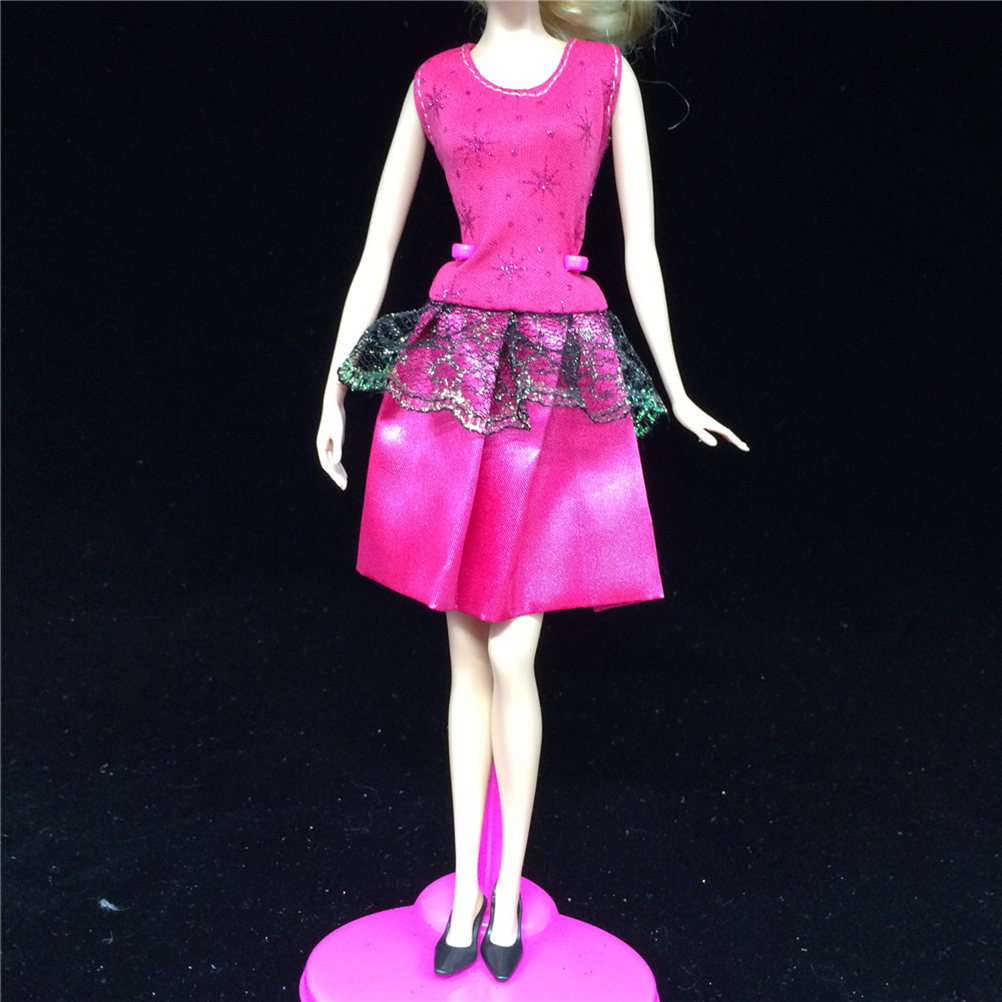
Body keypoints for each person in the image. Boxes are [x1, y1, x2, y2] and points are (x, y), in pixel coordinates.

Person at [316, 0, 748, 982]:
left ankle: (507, 889)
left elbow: (641, 248)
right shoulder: (435, 81)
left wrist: (677, 388)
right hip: (459, 366)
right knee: (465, 650)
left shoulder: (602, 76)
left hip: (556, 371)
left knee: (515, 646)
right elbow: (377, 249)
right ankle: (471, 892)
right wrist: (334, 384)